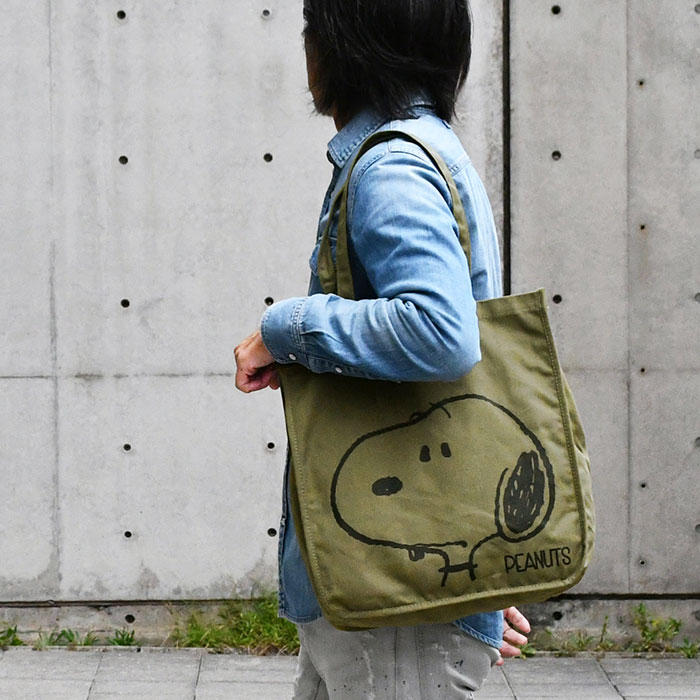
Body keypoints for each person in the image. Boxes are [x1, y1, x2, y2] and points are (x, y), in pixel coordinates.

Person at [234, 0, 530, 696]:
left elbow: (439, 331)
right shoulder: (430, 149)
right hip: (391, 586)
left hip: (391, 601)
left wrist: (286, 327)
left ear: (345, 44)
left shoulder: (391, 165)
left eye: (312, 29)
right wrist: (473, 566)